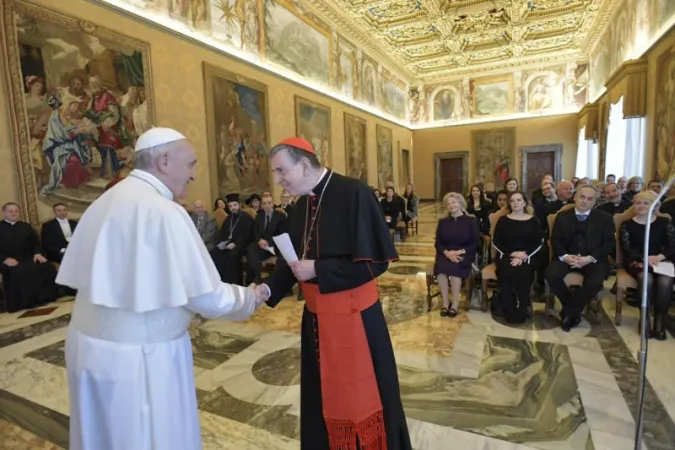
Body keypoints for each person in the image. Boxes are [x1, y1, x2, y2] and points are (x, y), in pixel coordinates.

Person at [56, 127, 263, 450]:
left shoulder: (106, 200)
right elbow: (206, 295)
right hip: (141, 359)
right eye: (191, 164)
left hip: (89, 349)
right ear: (164, 160)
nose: (194, 175)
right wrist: (251, 297)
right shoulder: (165, 212)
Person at [254, 137, 412, 450]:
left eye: (281, 170)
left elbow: (377, 262)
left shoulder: (354, 193)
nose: (278, 180)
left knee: (365, 397)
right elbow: (293, 264)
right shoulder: (300, 207)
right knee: (322, 396)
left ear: (303, 164)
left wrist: (319, 270)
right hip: (315, 322)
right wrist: (266, 288)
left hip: (358, 323)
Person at [546, 185, 614, 331]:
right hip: (568, 256)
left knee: (595, 282)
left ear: (595, 202)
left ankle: (570, 312)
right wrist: (565, 257)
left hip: (592, 259)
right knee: (551, 274)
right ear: (575, 197)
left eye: (589, 199)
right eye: (582, 197)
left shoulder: (605, 219)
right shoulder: (562, 216)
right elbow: (555, 240)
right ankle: (572, 307)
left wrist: (589, 258)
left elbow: (609, 244)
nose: (584, 201)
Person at [619, 191, 675, 340]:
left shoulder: (664, 222)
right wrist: (644, 258)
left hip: (661, 261)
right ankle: (644, 318)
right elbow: (627, 248)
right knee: (646, 279)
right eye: (638, 203)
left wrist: (660, 256)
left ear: (655, 205)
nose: (641, 206)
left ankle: (659, 320)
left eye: (646, 203)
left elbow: (672, 245)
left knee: (666, 281)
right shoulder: (627, 225)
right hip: (637, 261)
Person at [492, 191, 544, 323]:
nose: (516, 203)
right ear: (509, 204)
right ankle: (509, 309)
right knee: (506, 271)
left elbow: (539, 242)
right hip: (506, 254)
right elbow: (496, 241)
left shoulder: (533, 221)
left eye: (519, 200)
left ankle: (521, 308)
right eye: (513, 201)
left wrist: (523, 256)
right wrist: (512, 254)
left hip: (528, 256)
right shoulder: (503, 220)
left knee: (524, 272)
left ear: (525, 203)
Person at [0, 202, 58, 312]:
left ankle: (44, 298)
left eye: (16, 211)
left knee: (46, 266)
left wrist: (37, 253)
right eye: (10, 211)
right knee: (19, 270)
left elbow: (35, 243)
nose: (14, 213)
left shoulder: (25, 226)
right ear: (4, 213)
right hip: (7, 260)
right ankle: (24, 303)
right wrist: (5, 259)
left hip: (28, 257)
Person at [434, 192, 479, 317]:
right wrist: (448, 253)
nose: (451, 205)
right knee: (441, 271)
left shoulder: (470, 221)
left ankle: (455, 303)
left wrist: (459, 252)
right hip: (445, 253)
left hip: (465, 253)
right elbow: (438, 243)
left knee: (455, 270)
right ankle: (445, 302)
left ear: (460, 203)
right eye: (448, 204)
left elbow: (475, 243)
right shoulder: (442, 222)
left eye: (454, 202)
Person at [212, 193, 254, 285]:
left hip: (243, 245)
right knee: (215, 252)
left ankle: (235, 284)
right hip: (228, 244)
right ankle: (221, 283)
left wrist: (235, 244)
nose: (233, 208)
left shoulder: (246, 217)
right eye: (230, 206)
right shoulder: (228, 218)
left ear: (239, 205)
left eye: (235, 205)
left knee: (233, 254)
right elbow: (222, 233)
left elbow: (247, 235)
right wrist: (221, 243)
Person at [245, 193, 287, 283]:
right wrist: (259, 240)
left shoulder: (280, 216)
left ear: (273, 203)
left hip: (275, 247)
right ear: (262, 205)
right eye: (264, 203)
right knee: (251, 247)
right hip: (262, 247)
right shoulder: (259, 216)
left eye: (269, 203)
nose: (267, 205)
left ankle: (276, 282)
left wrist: (268, 242)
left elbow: (282, 234)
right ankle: (257, 277)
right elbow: (255, 231)